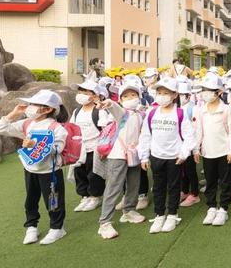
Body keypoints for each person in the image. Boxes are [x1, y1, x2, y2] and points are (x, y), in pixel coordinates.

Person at [0, 90, 69, 245]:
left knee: (53, 201)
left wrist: (35, 144)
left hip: (50, 172)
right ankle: (31, 226)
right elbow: (1, 128)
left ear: (48, 109)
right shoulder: (27, 124)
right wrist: (13, 113)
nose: (30, 107)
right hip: (30, 169)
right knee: (30, 200)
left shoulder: (56, 128)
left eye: (34, 104)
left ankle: (57, 228)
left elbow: (57, 149)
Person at [138, 78, 197, 234]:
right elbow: (145, 135)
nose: (162, 96)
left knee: (173, 187)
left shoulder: (180, 113)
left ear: (174, 94)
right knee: (158, 187)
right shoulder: (151, 113)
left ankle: (172, 214)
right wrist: (144, 156)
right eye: (159, 93)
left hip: (174, 158)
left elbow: (189, 136)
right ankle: (159, 215)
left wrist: (183, 154)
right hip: (156, 156)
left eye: (166, 93)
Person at [95, 83, 146, 239]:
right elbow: (114, 107)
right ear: (121, 99)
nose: (130, 98)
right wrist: (109, 103)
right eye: (126, 96)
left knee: (133, 183)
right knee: (114, 186)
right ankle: (105, 222)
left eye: (133, 95)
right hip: (118, 154)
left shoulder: (140, 113)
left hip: (134, 153)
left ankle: (129, 210)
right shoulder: (122, 112)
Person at [193, 76, 231, 226]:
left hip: (224, 151)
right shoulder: (201, 110)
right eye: (203, 90)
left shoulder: (226, 109)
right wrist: (196, 149)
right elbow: (199, 131)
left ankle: (223, 208)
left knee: (225, 182)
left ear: (218, 92)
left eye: (208, 90)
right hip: (207, 151)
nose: (205, 93)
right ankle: (211, 207)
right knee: (210, 181)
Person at [70, 80, 109, 212]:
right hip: (79, 148)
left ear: (95, 95)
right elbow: (72, 128)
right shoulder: (76, 111)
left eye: (86, 92)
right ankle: (84, 196)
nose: (82, 94)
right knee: (79, 172)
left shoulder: (99, 111)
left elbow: (105, 130)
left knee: (94, 173)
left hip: (94, 147)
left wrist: (104, 148)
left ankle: (95, 196)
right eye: (81, 91)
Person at [177, 81, 200, 208]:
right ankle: (185, 191)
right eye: (178, 94)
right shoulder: (178, 107)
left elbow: (195, 128)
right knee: (183, 169)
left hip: (190, 143)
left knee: (190, 170)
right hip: (180, 144)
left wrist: (195, 147)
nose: (180, 97)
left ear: (188, 95)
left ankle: (195, 193)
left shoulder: (193, 108)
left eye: (183, 94)